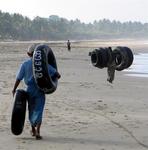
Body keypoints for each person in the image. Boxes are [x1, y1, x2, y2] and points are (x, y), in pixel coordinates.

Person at [12, 44, 61, 140]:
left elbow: (18, 78)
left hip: (29, 90)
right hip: (40, 89)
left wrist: (14, 89)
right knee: (39, 110)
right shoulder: (44, 65)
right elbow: (58, 75)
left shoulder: (25, 64)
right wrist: (49, 80)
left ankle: (33, 130)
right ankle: (38, 131)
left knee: (31, 109)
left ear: (28, 53)